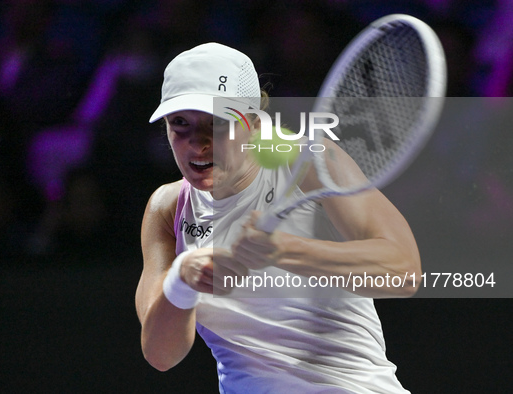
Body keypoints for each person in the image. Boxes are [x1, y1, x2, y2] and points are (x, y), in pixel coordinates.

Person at [135, 42, 421, 393]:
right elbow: (160, 354)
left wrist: (284, 251)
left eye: (218, 123)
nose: (197, 143)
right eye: (180, 123)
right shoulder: (168, 208)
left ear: (253, 124)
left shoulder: (307, 161)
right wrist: (182, 278)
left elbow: (404, 272)